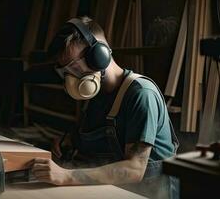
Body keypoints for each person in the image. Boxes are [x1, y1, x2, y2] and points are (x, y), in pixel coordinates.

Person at [27, 16, 179, 199]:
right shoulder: (96, 96)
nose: (71, 79)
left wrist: (65, 175)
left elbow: (134, 169)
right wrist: (68, 141)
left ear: (100, 55)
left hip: (150, 193)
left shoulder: (141, 94)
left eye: (74, 68)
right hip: (118, 191)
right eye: (65, 73)